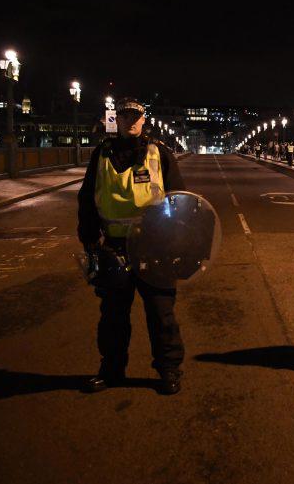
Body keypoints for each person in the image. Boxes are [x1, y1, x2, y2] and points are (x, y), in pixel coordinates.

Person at [77, 97, 187, 394]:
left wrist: (177, 240)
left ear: (144, 120)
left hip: (155, 246)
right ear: (118, 120)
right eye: (126, 116)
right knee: (113, 316)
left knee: (161, 314)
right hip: (114, 247)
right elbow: (88, 197)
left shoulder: (160, 154)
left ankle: (168, 370)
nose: (132, 121)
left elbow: (178, 199)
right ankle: (111, 371)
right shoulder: (101, 154)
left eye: (137, 117)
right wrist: (89, 238)